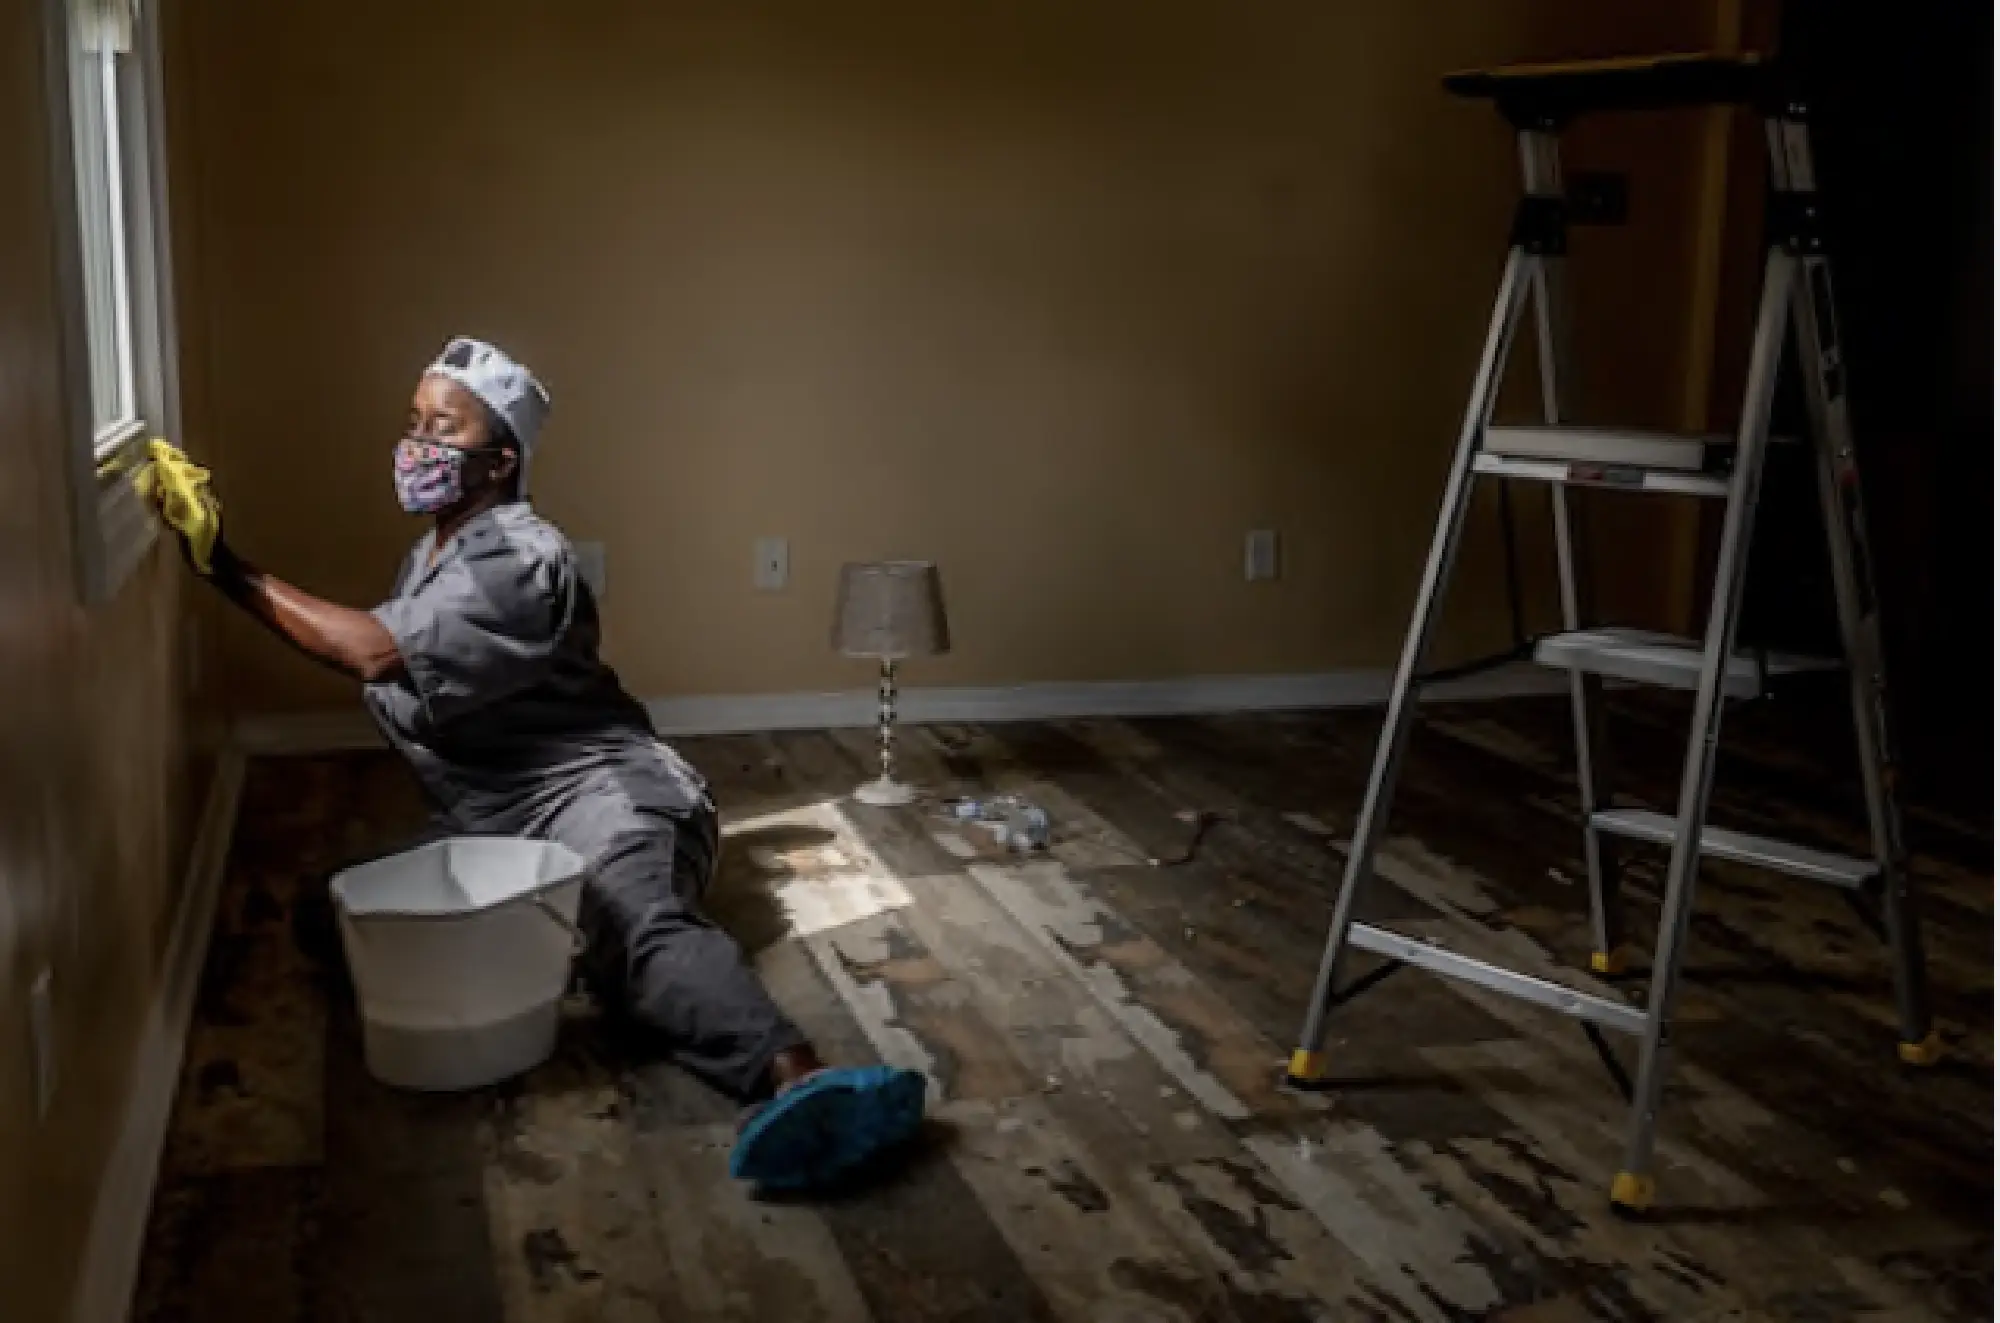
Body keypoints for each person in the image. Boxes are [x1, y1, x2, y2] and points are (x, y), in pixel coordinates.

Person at [147, 336, 923, 1191]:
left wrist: (219, 563)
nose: (417, 445)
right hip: (495, 815)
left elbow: (371, 652)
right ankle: (563, 946)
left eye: (445, 428)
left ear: (500, 458)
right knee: (332, 917)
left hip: (605, 795)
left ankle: (800, 1077)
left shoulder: (519, 557)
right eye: (413, 421)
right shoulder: (437, 551)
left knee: (636, 922)